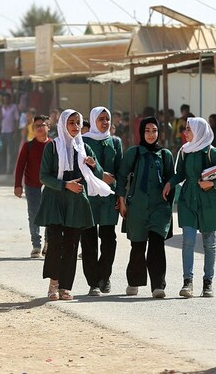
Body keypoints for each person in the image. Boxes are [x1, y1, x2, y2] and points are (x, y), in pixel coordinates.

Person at [34, 110, 112, 301]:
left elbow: (99, 173)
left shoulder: (83, 148)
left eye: (78, 123)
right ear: (63, 125)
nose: (76, 127)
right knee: (55, 244)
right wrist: (65, 185)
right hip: (56, 199)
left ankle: (65, 287)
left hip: (76, 201)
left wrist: (94, 165)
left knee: (71, 245)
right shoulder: (52, 147)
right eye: (71, 123)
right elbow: (43, 176)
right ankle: (54, 282)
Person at [163, 117, 216, 299]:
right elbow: (180, 173)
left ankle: (208, 282)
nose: (185, 132)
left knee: (209, 244)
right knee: (187, 241)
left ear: (199, 131)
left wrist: (212, 184)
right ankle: (187, 282)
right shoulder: (185, 151)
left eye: (188, 129)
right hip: (188, 200)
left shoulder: (212, 153)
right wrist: (170, 184)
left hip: (209, 203)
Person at [116, 116, 174, 298]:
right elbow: (122, 176)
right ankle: (134, 281)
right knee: (138, 246)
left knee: (157, 245)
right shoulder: (133, 153)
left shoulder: (165, 155)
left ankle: (158, 286)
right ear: (141, 132)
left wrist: (169, 189)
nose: (151, 134)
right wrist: (121, 200)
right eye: (147, 131)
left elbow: (172, 178)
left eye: (154, 131)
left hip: (159, 207)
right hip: (137, 207)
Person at [80, 106, 123, 296]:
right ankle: (93, 282)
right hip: (89, 196)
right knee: (88, 240)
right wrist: (100, 174)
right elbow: (80, 168)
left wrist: (121, 197)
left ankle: (105, 277)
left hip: (109, 198)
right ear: (94, 120)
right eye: (101, 119)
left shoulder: (115, 141)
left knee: (108, 239)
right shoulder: (82, 141)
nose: (105, 123)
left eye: (107, 119)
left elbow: (121, 171)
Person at [14, 114, 52, 258]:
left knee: (50, 216)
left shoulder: (54, 145)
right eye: (37, 125)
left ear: (49, 127)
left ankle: (49, 243)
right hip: (32, 186)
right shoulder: (28, 146)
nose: (40, 128)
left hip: (50, 187)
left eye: (43, 125)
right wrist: (18, 185)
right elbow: (20, 166)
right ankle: (36, 245)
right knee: (34, 215)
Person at [0, 93, 19, 174]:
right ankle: (3, 168)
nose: (6, 100)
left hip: (11, 131)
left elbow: (17, 119)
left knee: (11, 152)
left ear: (9, 99)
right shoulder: (2, 107)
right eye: (4, 99)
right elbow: (0, 118)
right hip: (3, 131)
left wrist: (15, 132)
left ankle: (11, 169)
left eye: (7, 99)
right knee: (2, 151)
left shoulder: (14, 107)